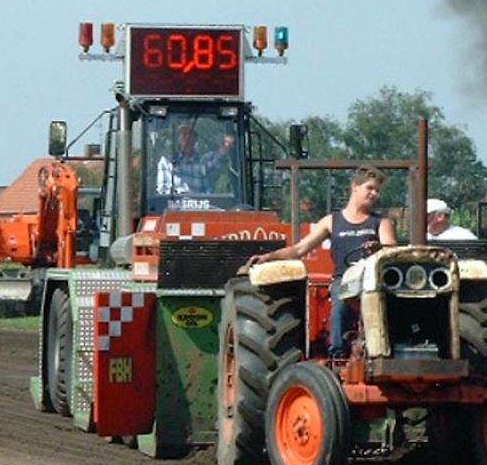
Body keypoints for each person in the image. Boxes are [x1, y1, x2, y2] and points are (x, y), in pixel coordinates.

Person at [248, 166, 396, 357]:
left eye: (377, 190)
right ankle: (338, 354)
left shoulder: (380, 222)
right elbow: (299, 249)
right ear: (355, 187)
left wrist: (378, 248)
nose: (374, 193)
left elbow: (391, 250)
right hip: (344, 279)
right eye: (370, 188)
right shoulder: (332, 221)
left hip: (372, 281)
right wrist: (268, 257)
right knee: (340, 304)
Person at [156, 125, 234, 194]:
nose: (185, 137)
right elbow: (163, 191)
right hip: (174, 205)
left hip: (203, 205)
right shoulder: (166, 162)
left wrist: (226, 145)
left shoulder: (203, 162)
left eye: (189, 134)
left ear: (195, 139)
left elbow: (219, 158)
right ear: (178, 138)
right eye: (182, 133)